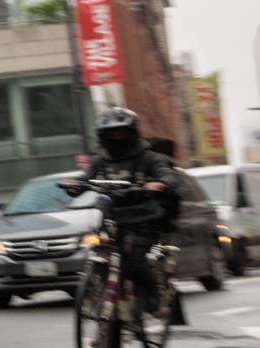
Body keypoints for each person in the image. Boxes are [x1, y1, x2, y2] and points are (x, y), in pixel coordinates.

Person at [65, 106, 180, 316]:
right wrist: (76, 186)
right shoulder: (101, 159)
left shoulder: (149, 158)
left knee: (134, 262)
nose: (115, 138)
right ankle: (107, 313)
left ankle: (152, 291)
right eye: (110, 134)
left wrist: (159, 183)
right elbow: (85, 177)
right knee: (99, 254)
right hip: (113, 218)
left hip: (145, 218)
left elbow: (169, 175)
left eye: (120, 132)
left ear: (132, 133)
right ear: (102, 137)